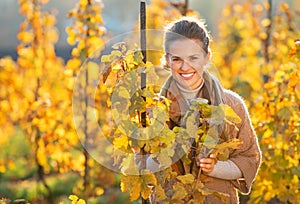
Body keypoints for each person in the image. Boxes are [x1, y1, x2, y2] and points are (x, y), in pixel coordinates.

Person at [149, 16, 261, 203]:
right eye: (177, 59)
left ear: (207, 56)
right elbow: (140, 165)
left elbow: (250, 159)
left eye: (193, 57)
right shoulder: (154, 109)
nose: (185, 67)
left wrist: (215, 168)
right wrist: (167, 154)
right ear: (167, 60)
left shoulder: (231, 105)